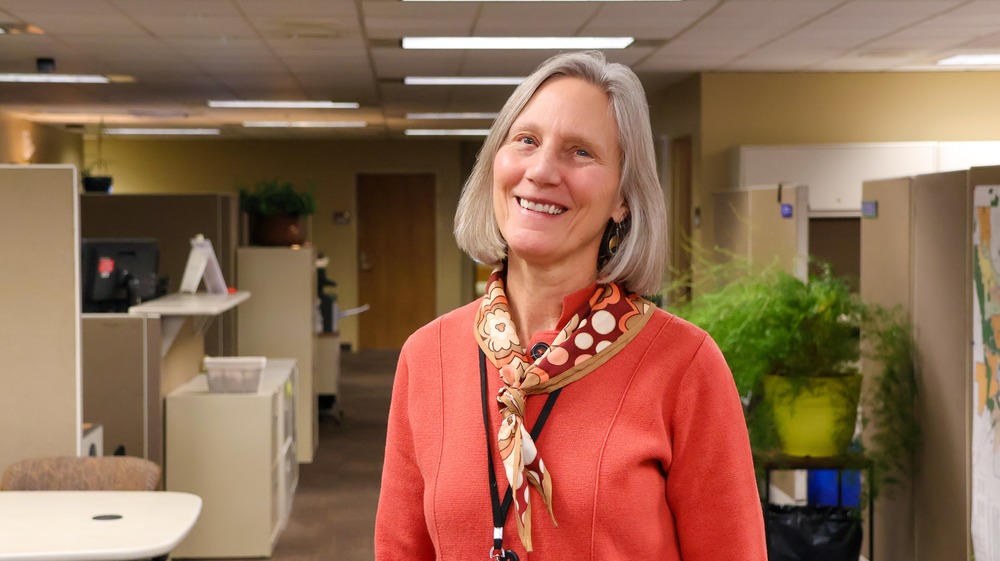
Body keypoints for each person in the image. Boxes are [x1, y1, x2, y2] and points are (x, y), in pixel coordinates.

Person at [375, 50, 766, 560]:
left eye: (580, 152)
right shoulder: (427, 356)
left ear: (623, 197)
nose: (541, 170)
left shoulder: (685, 365)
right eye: (526, 140)